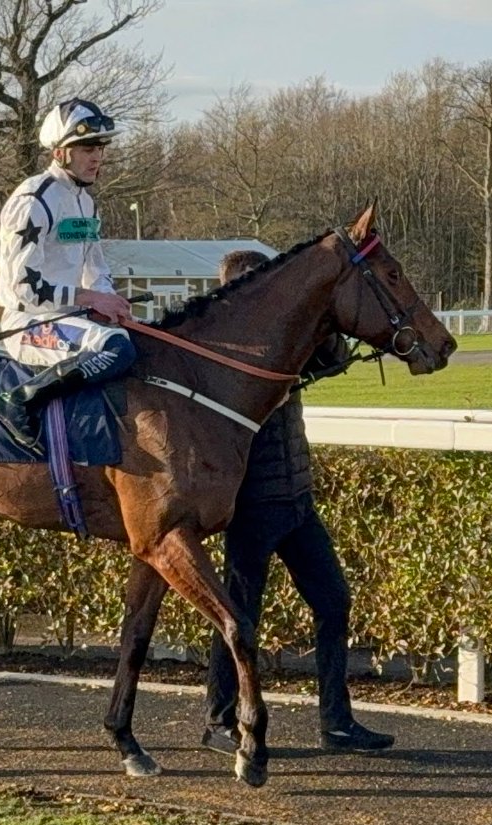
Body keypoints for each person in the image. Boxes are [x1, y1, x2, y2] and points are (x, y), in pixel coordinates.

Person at [201, 249, 395, 756]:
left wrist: (324, 315)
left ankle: (336, 722)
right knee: (238, 617)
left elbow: (331, 358)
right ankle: (220, 720)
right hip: (252, 508)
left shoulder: (285, 345)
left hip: (296, 501)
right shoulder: (228, 357)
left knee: (334, 602)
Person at [0, 98, 135, 451]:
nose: (97, 157)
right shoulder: (32, 200)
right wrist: (90, 299)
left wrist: (110, 303)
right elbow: (23, 287)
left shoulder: (87, 203)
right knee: (115, 347)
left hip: (69, 319)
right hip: (27, 323)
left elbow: (96, 270)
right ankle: (19, 401)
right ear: (59, 153)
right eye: (87, 148)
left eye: (100, 147)